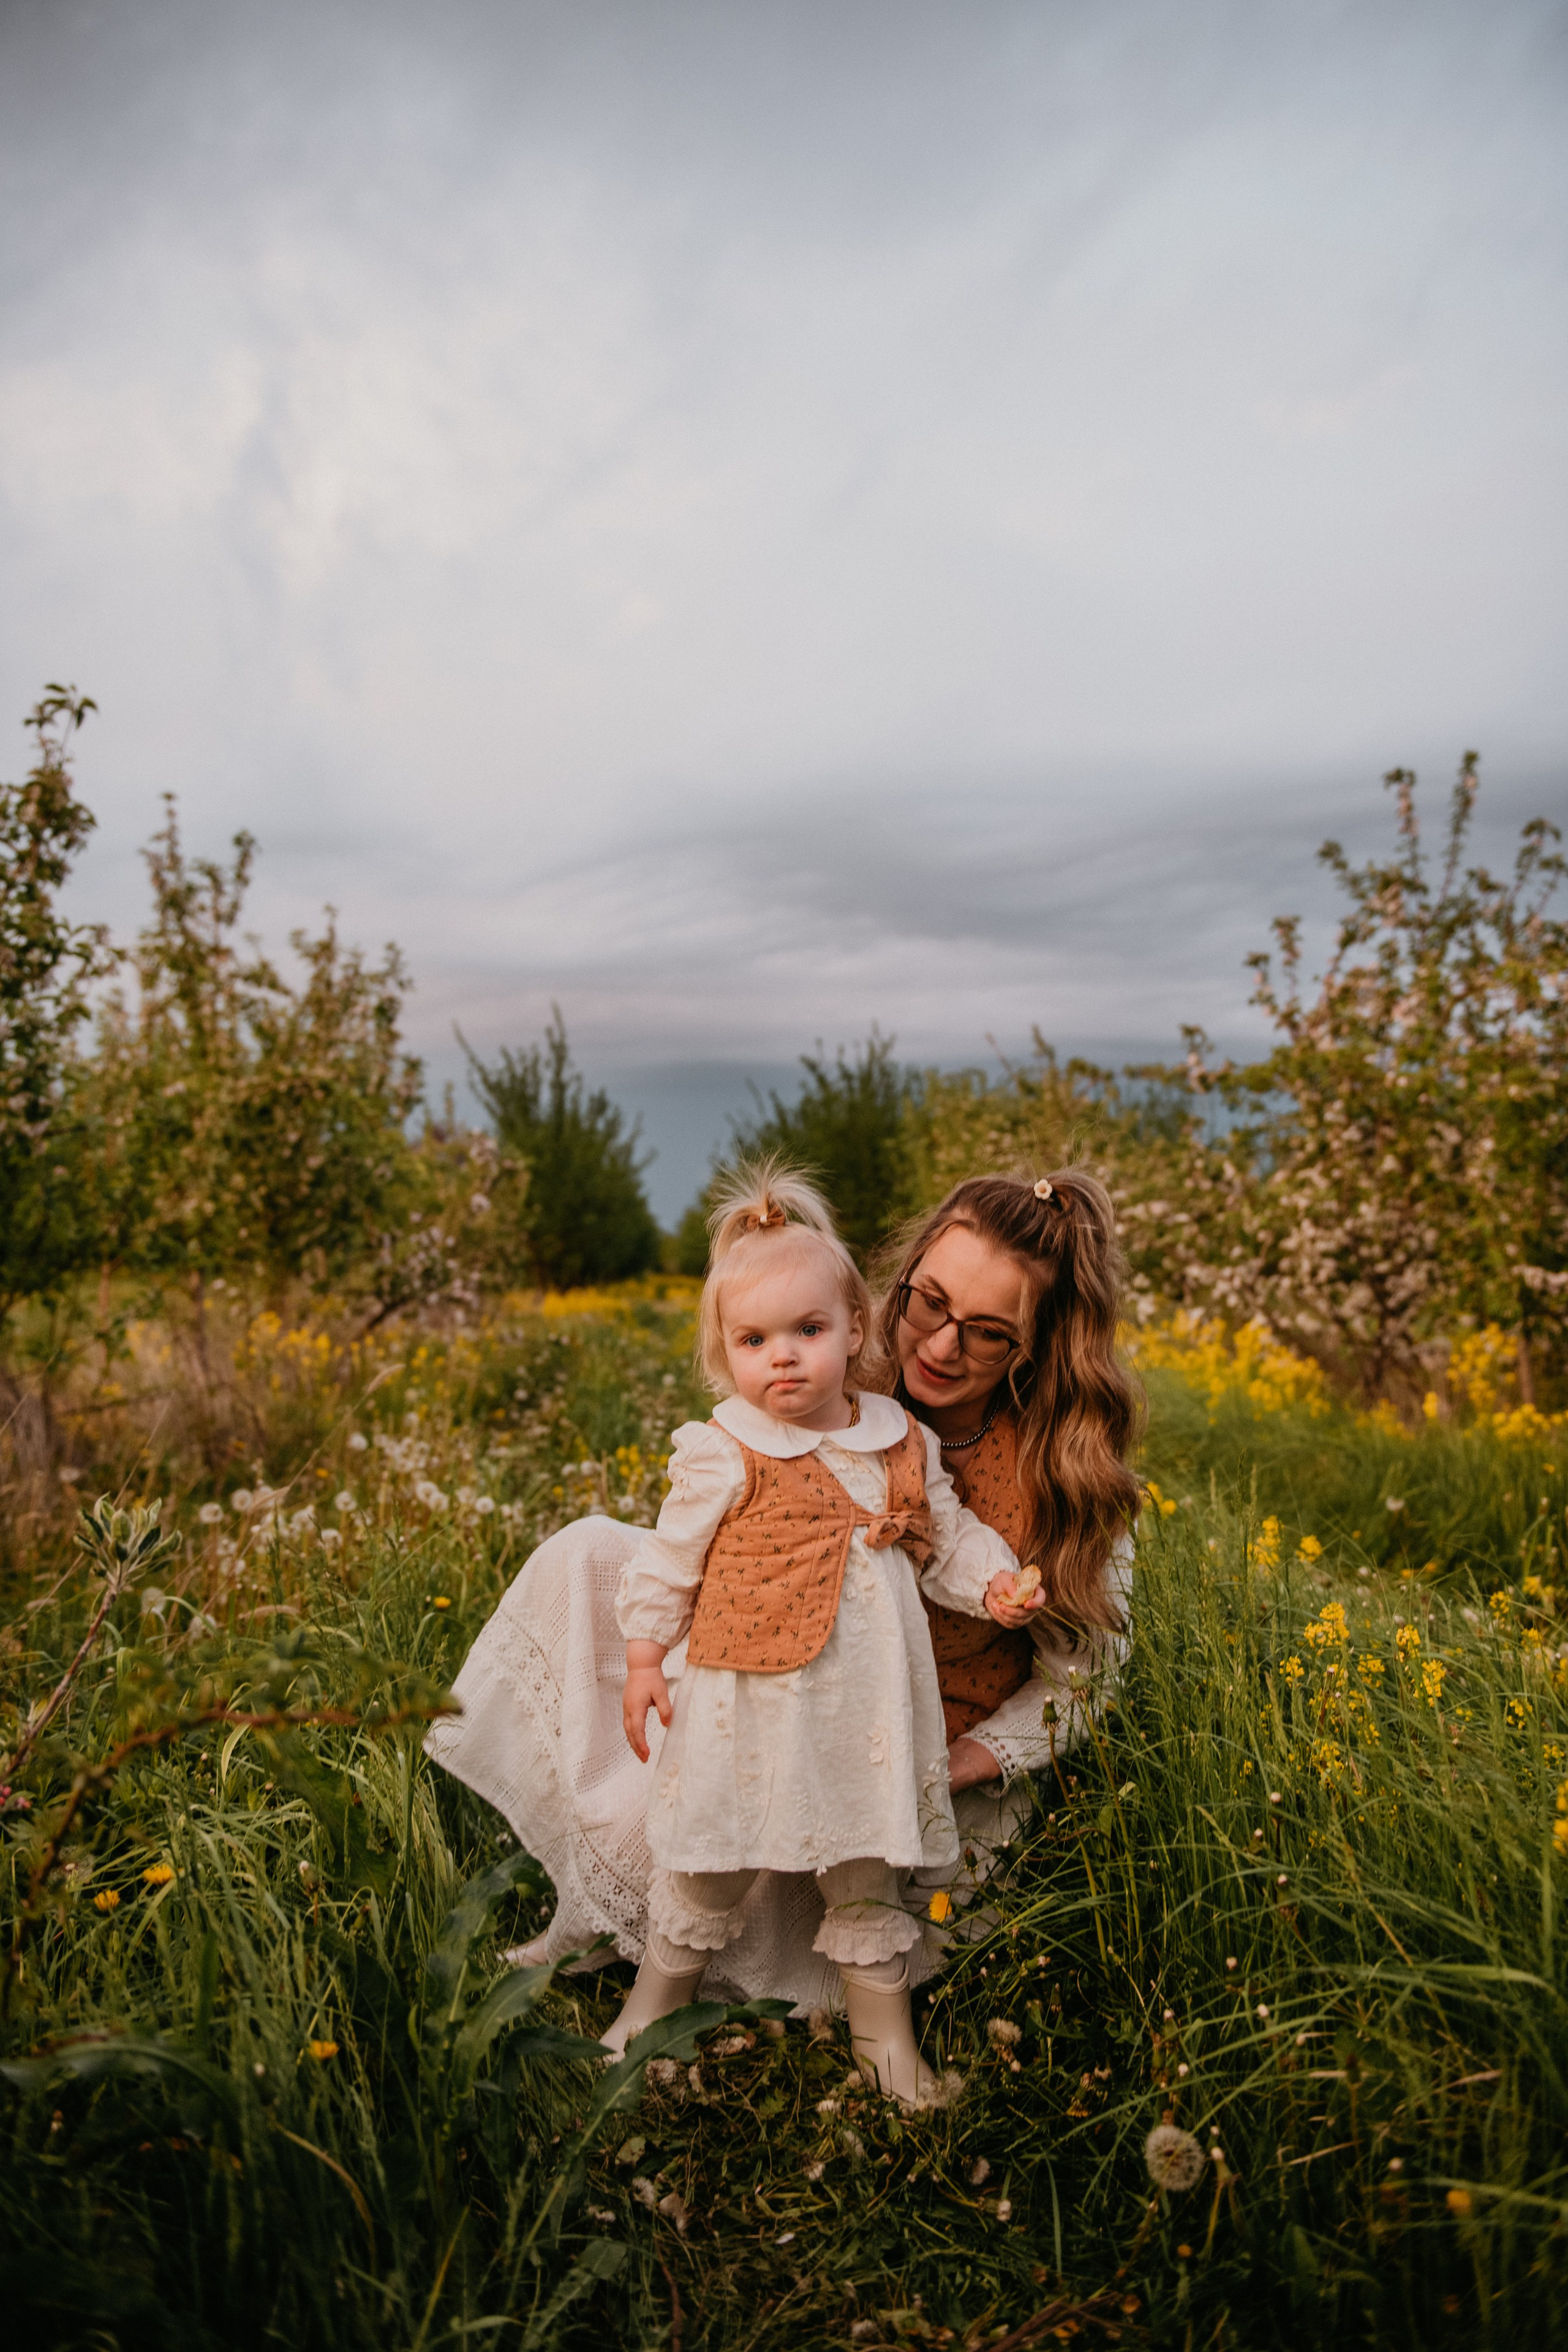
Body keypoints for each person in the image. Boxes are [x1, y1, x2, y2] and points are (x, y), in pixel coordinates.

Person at [425, 1163, 1139, 2031]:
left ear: (1042, 1342)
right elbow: (744, 1496)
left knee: (813, 1880)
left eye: (988, 1333)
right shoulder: (848, 1376)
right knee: (601, 1568)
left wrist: (963, 1763)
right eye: (929, 1303)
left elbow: (1086, 1681)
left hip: (924, 1733)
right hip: (786, 1661)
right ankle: (600, 1925)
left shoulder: (1064, 1478)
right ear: (895, 1290)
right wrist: (670, 1649)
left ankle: (846, 2019)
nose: (942, 1347)